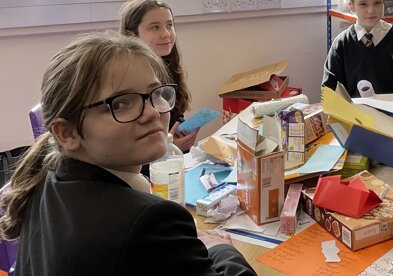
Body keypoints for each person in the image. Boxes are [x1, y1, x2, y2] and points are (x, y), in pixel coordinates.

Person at [0, 33, 256, 276]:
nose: (153, 112)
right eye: (121, 103)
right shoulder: (148, 222)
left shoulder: (45, 183)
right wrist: (220, 248)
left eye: (155, 94)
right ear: (67, 133)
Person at [120, 0, 198, 152]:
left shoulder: (168, 66)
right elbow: (127, 145)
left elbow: (176, 112)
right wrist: (169, 147)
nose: (166, 34)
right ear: (132, 34)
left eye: (169, 25)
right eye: (155, 27)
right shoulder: (126, 78)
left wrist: (182, 132)